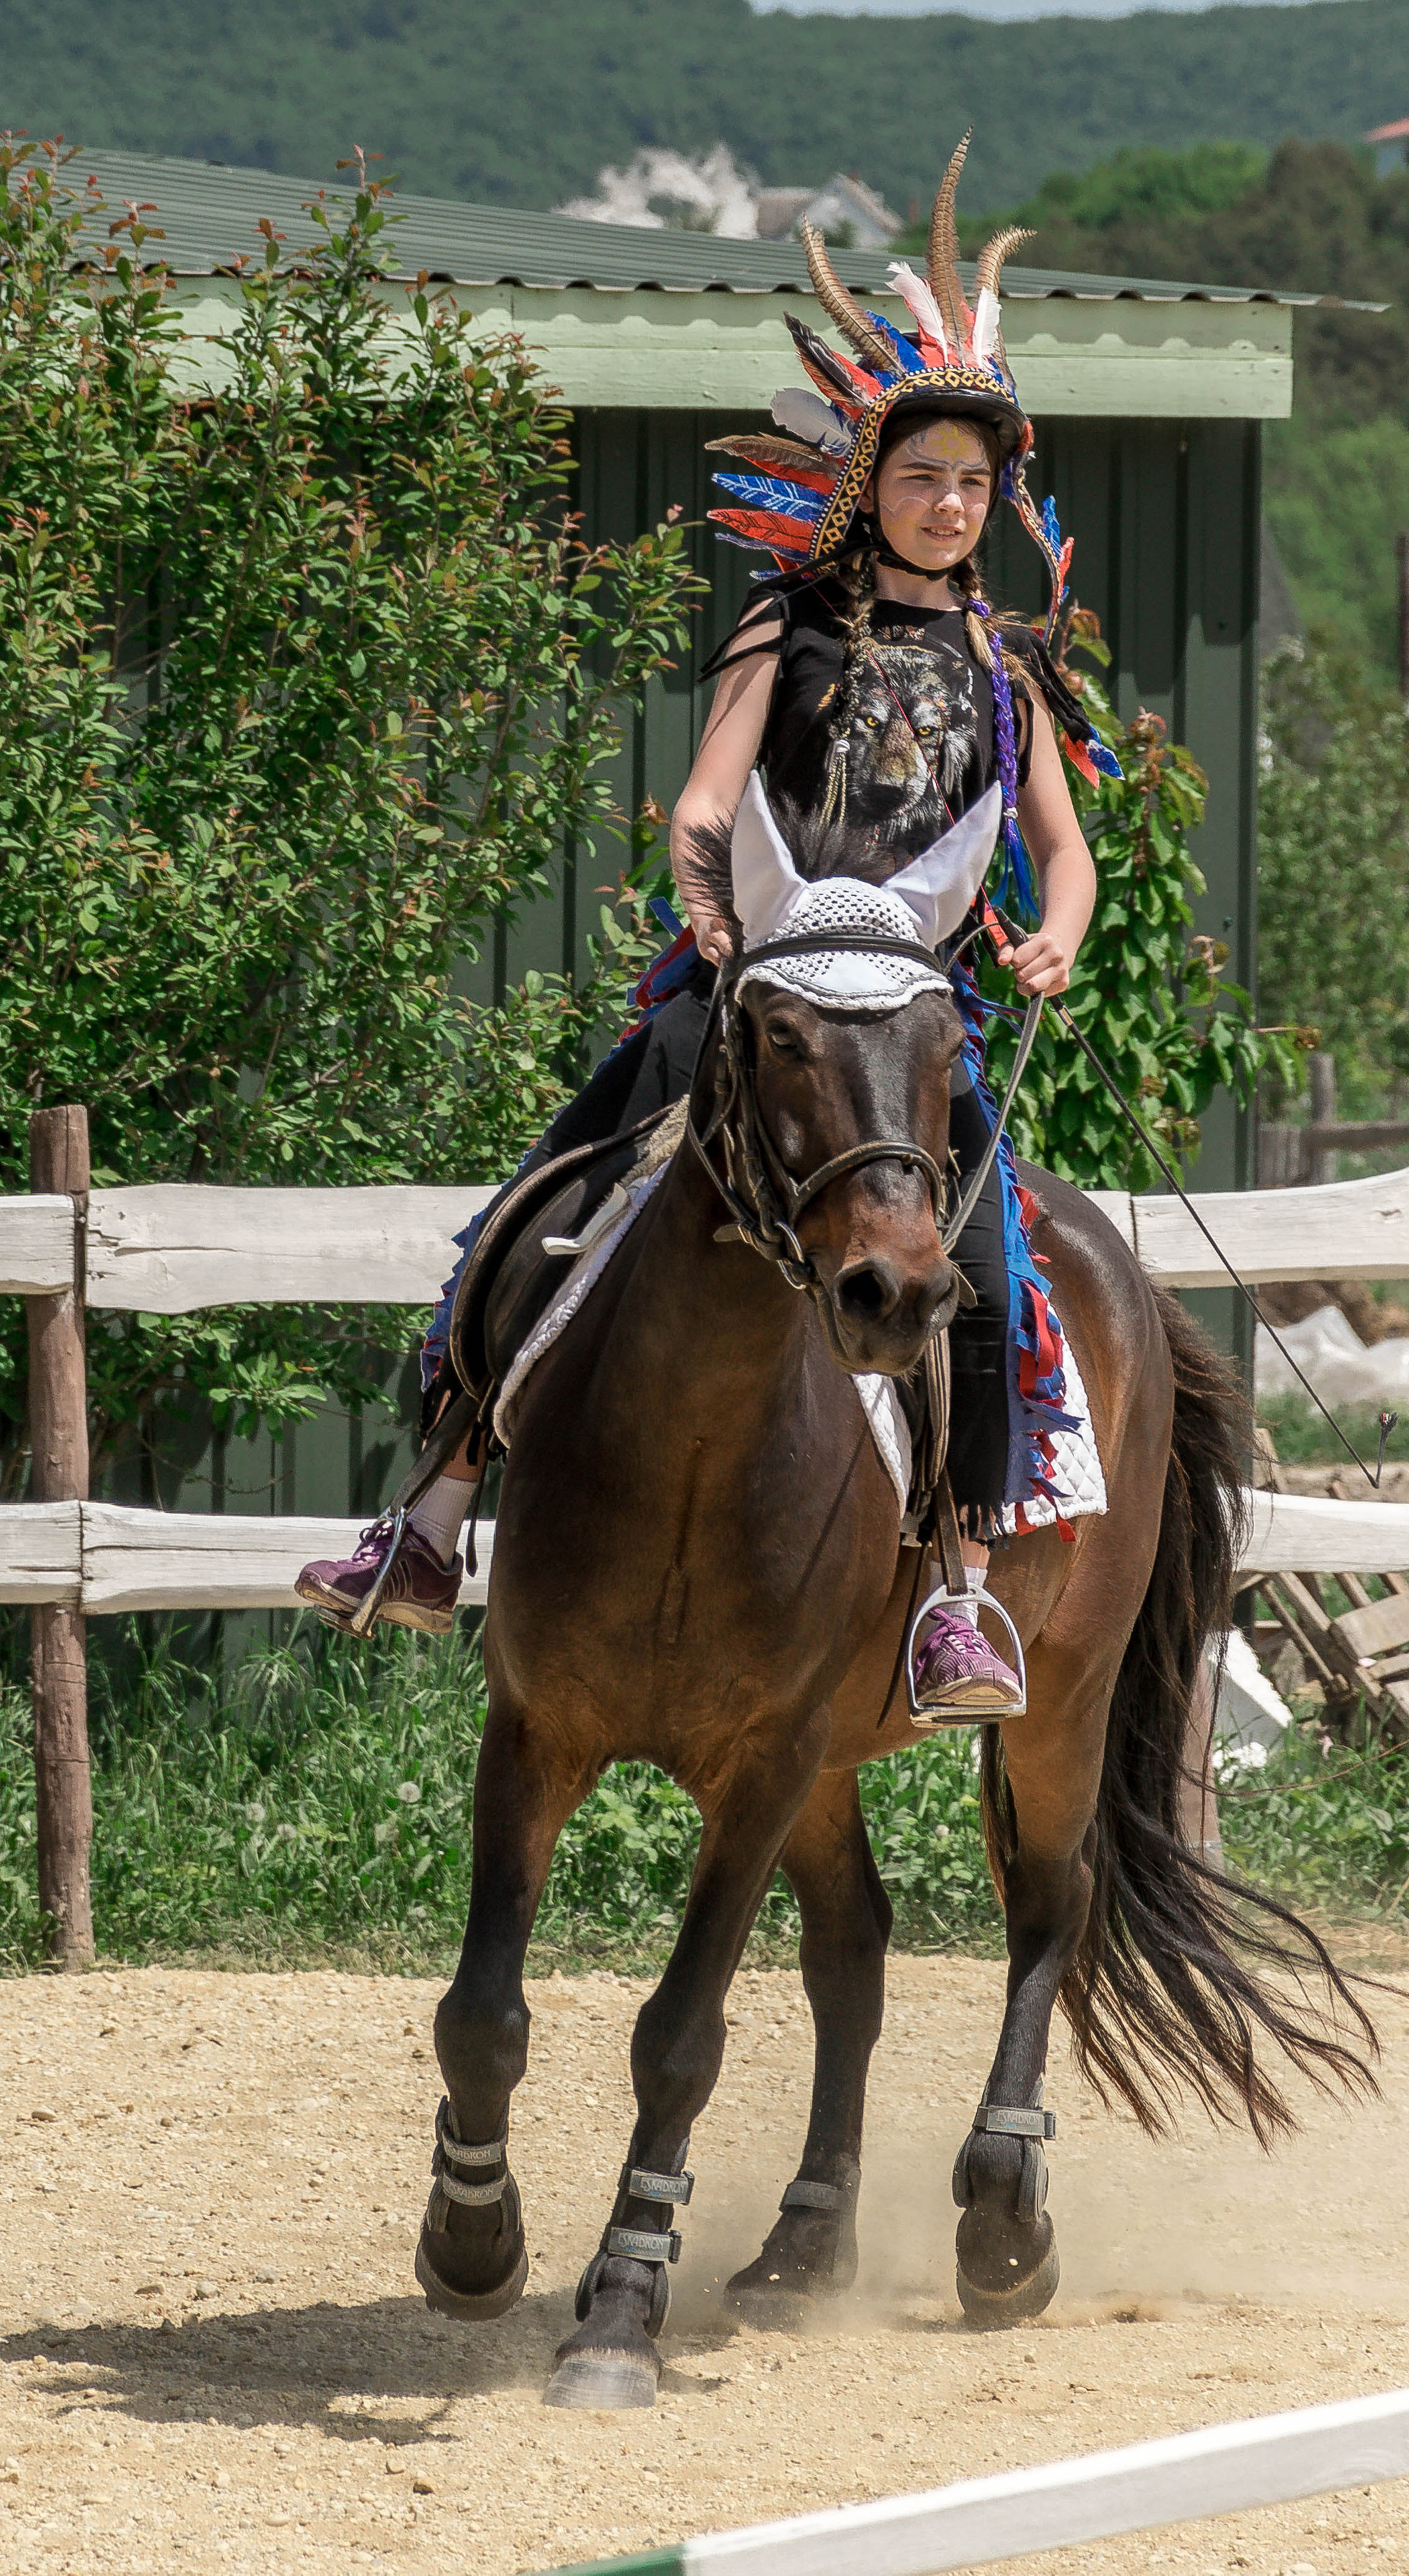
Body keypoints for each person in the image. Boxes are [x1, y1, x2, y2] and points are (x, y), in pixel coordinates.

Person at [297, 137, 1117, 1716]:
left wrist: (1056, 935)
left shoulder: (1011, 669)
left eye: (973, 482)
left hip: (910, 1025)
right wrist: (708, 915)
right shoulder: (784, 621)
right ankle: (440, 1507)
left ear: (995, 497)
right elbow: (702, 800)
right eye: (922, 476)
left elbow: (1060, 854)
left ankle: (951, 1586)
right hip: (749, 990)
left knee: (996, 1272)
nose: (950, 504)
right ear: (867, 482)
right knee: (551, 1203)